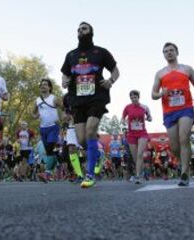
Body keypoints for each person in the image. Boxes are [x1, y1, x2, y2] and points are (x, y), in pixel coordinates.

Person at [61, 22, 119, 188]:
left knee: (91, 130)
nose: (80, 31)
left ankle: (90, 174)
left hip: (97, 96)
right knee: (82, 139)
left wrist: (110, 81)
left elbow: (115, 71)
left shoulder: (100, 52)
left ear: (91, 32)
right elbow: (64, 77)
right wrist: (65, 82)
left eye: (84, 28)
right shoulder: (71, 55)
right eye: (78, 29)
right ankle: (98, 155)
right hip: (77, 99)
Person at [152, 42, 194, 186]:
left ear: (177, 52)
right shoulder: (160, 73)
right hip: (169, 111)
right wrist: (162, 93)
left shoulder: (187, 69)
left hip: (186, 108)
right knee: (174, 147)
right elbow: (153, 94)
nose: (169, 53)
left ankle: (185, 173)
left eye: (171, 50)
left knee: (183, 137)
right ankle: (184, 163)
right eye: (166, 51)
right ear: (163, 55)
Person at [33, 79, 62, 183]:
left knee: (49, 148)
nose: (43, 86)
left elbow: (65, 108)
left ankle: (47, 172)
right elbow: (33, 113)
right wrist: (36, 116)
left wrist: (61, 119)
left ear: (50, 87)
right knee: (49, 152)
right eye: (41, 85)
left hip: (53, 127)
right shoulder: (37, 100)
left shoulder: (54, 98)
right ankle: (57, 163)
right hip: (43, 128)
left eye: (45, 85)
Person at [121, 90, 152, 184]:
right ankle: (141, 172)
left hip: (142, 133)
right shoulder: (127, 107)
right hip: (131, 134)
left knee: (139, 154)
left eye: (135, 97)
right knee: (135, 158)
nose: (133, 99)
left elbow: (150, 117)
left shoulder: (144, 107)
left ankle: (138, 175)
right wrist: (123, 121)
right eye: (132, 98)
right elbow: (122, 117)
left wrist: (149, 118)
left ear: (139, 97)